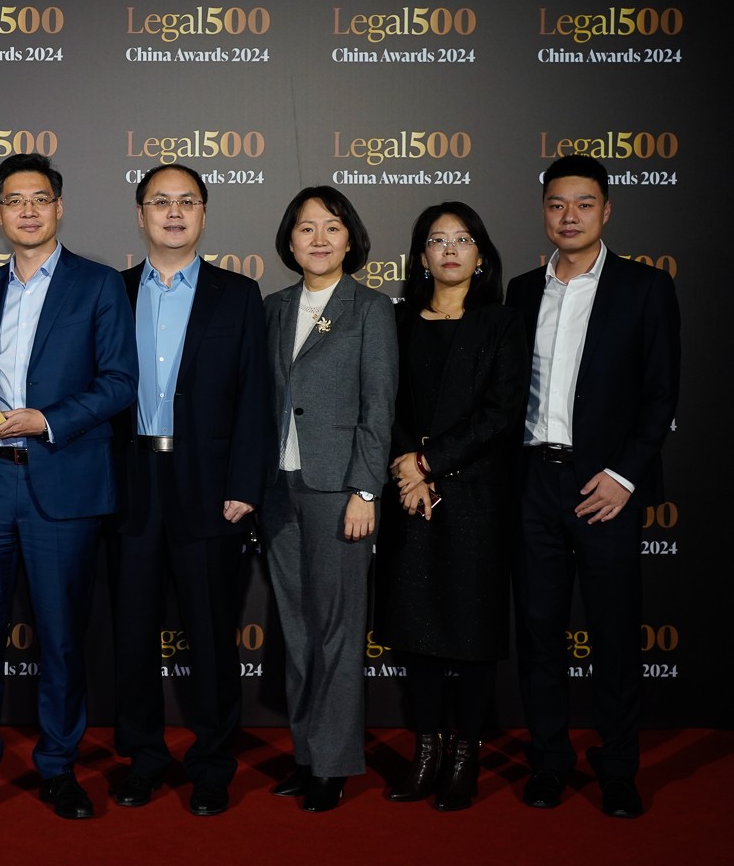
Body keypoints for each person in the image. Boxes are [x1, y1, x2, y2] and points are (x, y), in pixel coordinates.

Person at [0, 152, 136, 821]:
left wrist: (47, 419)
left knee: (61, 637)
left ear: (59, 207)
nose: (27, 210)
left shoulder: (99, 284)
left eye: (40, 198)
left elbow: (120, 382)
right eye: (14, 200)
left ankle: (58, 767)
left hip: (62, 478)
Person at [507, 154, 680, 819]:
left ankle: (618, 768)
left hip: (606, 487)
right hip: (533, 483)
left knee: (613, 633)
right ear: (543, 212)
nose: (569, 216)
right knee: (539, 632)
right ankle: (549, 761)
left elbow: (662, 393)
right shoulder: (523, 290)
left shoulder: (645, 287)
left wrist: (624, 475)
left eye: (583, 204)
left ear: (606, 210)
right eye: (557, 204)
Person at [108, 164, 267, 817]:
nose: (174, 213)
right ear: (140, 214)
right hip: (128, 483)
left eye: (187, 202)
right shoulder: (110, 292)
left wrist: (245, 483)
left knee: (211, 633)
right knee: (132, 635)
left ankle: (212, 763)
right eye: (160, 202)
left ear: (203, 213)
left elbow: (257, 395)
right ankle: (143, 758)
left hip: (209, 486)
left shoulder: (239, 294)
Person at [374, 202, 527, 811]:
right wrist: (406, 466)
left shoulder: (502, 322)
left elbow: (501, 412)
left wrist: (428, 464)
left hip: (476, 498)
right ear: (422, 257)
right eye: (438, 241)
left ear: (480, 254)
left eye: (463, 239)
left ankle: (465, 755)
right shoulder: (397, 320)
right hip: (408, 496)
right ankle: (427, 752)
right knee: (416, 630)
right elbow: (381, 401)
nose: (450, 250)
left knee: (472, 628)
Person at [263, 186, 398, 812]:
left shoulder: (370, 308)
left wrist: (366, 488)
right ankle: (305, 754)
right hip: (278, 490)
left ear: (350, 239)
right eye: (306, 228)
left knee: (339, 630)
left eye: (332, 227)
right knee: (296, 630)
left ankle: (336, 763)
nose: (318, 238)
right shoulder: (273, 307)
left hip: (340, 490)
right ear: (289, 241)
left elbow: (379, 405)